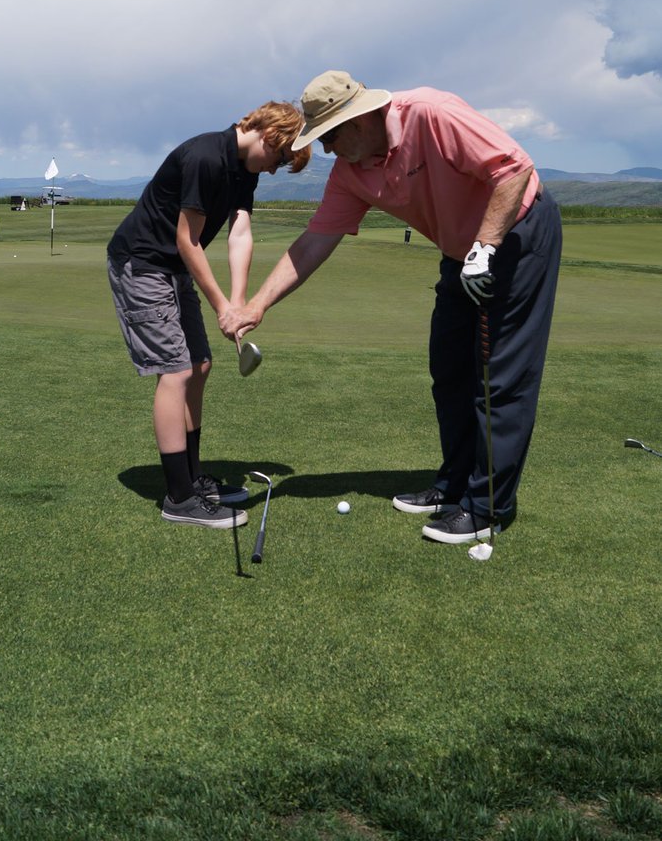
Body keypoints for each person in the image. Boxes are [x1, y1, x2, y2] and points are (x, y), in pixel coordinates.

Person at [235, 71, 562, 546]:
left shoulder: (431, 113)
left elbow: (514, 169)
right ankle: (453, 484)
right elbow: (313, 244)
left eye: (330, 135)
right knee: (448, 369)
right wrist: (257, 305)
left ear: (361, 118)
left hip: (515, 234)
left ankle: (486, 507)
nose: (325, 150)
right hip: (459, 251)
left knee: (500, 375)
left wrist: (486, 247)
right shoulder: (352, 172)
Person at [107, 101, 310, 529]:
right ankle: (179, 497)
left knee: (200, 365)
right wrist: (221, 306)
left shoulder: (244, 171)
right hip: (141, 264)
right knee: (176, 372)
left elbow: (240, 233)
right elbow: (188, 239)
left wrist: (238, 302)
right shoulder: (205, 157)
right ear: (268, 136)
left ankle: (193, 478)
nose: (276, 169)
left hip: (173, 269)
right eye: (282, 158)